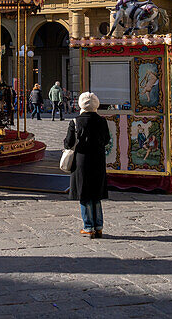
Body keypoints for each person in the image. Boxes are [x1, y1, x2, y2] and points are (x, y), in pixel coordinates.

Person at [64, 91, 110, 238]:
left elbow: (69, 142)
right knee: (96, 194)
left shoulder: (76, 121)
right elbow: (107, 139)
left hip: (81, 160)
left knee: (84, 193)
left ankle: (88, 226)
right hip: (98, 159)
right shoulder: (102, 121)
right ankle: (99, 225)